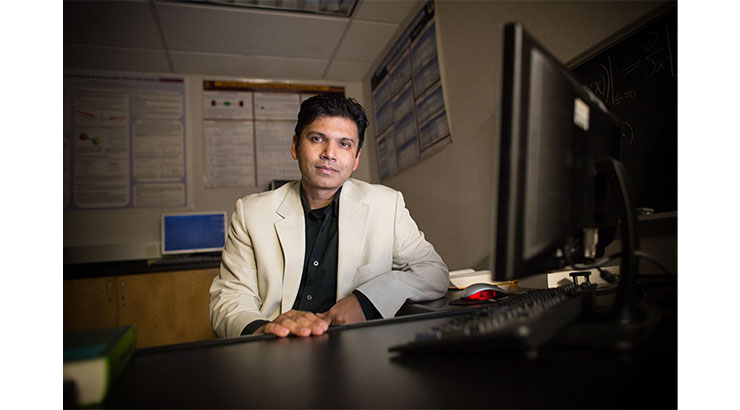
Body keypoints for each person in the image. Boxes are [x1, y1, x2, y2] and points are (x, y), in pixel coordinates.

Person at [209, 94, 449, 338]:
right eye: (317, 139)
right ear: (295, 146)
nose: (329, 153)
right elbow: (229, 298)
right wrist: (262, 329)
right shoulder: (251, 212)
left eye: (344, 144)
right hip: (276, 346)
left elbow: (432, 271)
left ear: (356, 159)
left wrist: (365, 300)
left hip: (358, 351)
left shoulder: (387, 205)